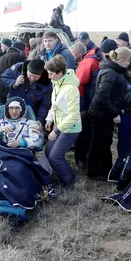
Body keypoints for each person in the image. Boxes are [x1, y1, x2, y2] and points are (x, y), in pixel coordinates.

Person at [87, 47, 131, 180]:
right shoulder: (110, 73)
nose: (129, 65)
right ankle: (94, 172)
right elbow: (102, 96)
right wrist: (115, 113)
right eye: (128, 62)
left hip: (105, 113)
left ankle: (105, 169)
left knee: (105, 142)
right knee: (98, 142)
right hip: (100, 114)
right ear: (122, 60)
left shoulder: (116, 70)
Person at [74, 40, 115, 167]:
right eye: (108, 54)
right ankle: (81, 159)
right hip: (87, 104)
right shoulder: (90, 62)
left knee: (96, 135)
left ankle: (94, 161)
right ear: (102, 52)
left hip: (102, 106)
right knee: (85, 133)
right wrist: (81, 107)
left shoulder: (112, 62)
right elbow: (78, 85)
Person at [44, 55, 81, 187]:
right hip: (59, 125)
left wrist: (56, 130)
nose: (49, 77)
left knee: (55, 157)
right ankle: (66, 175)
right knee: (49, 152)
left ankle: (68, 182)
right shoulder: (57, 83)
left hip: (71, 128)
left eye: (51, 74)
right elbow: (55, 105)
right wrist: (49, 119)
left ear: (60, 72)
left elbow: (73, 115)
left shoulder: (71, 89)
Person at [1, 59, 52, 129]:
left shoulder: (46, 83)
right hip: (12, 109)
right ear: (27, 70)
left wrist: (40, 119)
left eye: (35, 77)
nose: (32, 78)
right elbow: (4, 77)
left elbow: (45, 105)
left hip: (31, 113)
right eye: (30, 75)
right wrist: (14, 83)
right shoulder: (18, 68)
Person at [0, 40, 26, 105]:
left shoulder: (4, 56)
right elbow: (19, 73)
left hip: (1, 87)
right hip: (11, 89)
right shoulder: (18, 56)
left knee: (3, 110)